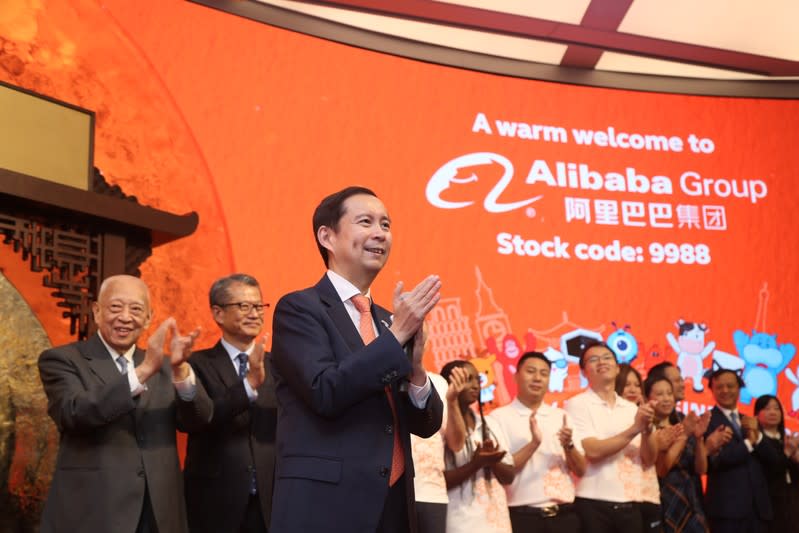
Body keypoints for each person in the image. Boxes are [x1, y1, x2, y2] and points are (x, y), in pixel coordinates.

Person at [270, 186, 444, 533]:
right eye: (366, 222)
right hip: (326, 507)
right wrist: (396, 338)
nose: (380, 233)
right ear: (327, 236)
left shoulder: (386, 320)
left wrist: (418, 372)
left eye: (386, 225)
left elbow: (426, 425)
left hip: (393, 506)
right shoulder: (299, 309)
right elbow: (325, 391)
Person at [37, 274, 212, 533]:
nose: (126, 317)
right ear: (96, 311)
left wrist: (182, 373)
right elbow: (72, 412)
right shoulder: (63, 359)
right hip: (95, 512)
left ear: (149, 318)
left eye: (136, 309)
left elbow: (200, 419)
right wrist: (141, 373)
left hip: (160, 513)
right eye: (116, 307)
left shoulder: (167, 366)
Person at [183, 274, 277, 533]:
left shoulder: (279, 366)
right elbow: (199, 418)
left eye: (259, 306)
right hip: (215, 502)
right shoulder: (195, 365)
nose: (254, 314)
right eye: (244, 306)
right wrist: (248, 386)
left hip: (271, 502)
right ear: (218, 313)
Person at [565, 341, 657, 533]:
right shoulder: (577, 404)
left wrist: (647, 430)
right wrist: (635, 428)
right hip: (592, 502)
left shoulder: (632, 409)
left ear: (617, 368)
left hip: (631, 502)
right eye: (593, 359)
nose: (602, 362)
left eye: (607, 358)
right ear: (583, 372)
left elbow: (649, 459)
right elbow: (592, 450)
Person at [489, 351, 586, 533]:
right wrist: (534, 444)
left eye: (544, 374)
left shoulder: (561, 416)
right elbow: (503, 473)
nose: (537, 378)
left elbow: (581, 470)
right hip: (522, 516)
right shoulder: (498, 418)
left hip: (564, 516)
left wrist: (569, 446)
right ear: (516, 376)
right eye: (531, 371)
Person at [441, 360, 514, 533]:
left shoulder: (491, 425)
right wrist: (476, 464)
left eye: (477, 380)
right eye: (468, 379)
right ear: (448, 384)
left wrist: (492, 460)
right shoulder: (440, 426)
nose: (475, 385)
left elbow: (509, 477)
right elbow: (437, 481)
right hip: (460, 524)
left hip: (498, 524)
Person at [704, 368, 773, 533]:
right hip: (726, 512)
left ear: (739, 388)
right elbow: (718, 460)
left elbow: (772, 460)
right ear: (712, 390)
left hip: (757, 511)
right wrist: (749, 442)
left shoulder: (749, 421)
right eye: (719, 387)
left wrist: (758, 438)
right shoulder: (706, 421)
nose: (725, 391)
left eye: (730, 386)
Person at [411, 343, 468, 533]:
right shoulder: (381, 377)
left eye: (420, 334)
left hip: (431, 492)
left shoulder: (439, 383)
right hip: (388, 491)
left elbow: (457, 444)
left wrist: (452, 401)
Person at [645, 374, 710, 533]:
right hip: (665, 497)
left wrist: (699, 438)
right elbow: (662, 469)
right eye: (659, 394)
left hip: (691, 498)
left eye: (669, 393)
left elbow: (701, 469)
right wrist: (684, 435)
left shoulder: (682, 421)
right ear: (647, 398)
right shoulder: (649, 429)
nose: (666, 398)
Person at [753, 394, 799, 533]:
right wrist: (787, 453)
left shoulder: (787, 440)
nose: (773, 412)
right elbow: (774, 468)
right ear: (756, 415)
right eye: (767, 409)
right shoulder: (757, 440)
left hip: (792, 503)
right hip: (768, 505)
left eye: (776, 408)